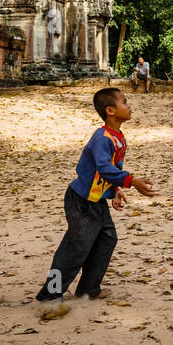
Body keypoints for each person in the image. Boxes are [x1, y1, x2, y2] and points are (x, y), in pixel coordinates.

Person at [34, 87, 154, 315]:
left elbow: (109, 170)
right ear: (110, 110)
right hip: (81, 200)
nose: (129, 106)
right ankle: (50, 294)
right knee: (76, 246)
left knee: (107, 239)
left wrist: (115, 190)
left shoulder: (118, 138)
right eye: (124, 102)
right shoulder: (102, 138)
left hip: (96, 200)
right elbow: (104, 167)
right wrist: (132, 181)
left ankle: (88, 288)